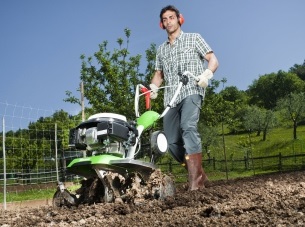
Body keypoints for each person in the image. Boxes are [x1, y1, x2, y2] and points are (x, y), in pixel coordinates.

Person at [150, 5, 219, 190]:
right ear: (161, 24)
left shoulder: (193, 38)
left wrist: (206, 75)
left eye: (171, 17)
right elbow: (158, 74)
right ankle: (200, 174)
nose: (168, 21)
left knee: (188, 126)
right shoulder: (161, 50)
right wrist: (153, 88)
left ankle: (195, 183)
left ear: (180, 19)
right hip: (170, 98)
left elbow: (213, 60)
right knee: (171, 142)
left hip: (191, 90)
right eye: (165, 19)